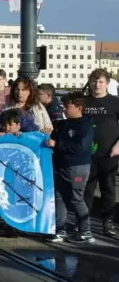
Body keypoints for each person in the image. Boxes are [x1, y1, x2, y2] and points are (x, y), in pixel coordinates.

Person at [47, 93, 95, 244]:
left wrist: (57, 145)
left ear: (79, 108)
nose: (64, 109)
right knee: (59, 197)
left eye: (67, 106)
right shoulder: (64, 123)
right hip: (62, 165)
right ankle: (60, 229)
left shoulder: (85, 125)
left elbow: (81, 147)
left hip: (77, 167)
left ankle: (86, 231)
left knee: (76, 198)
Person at [82, 69, 119, 237]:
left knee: (108, 189)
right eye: (94, 82)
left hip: (109, 152)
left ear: (107, 83)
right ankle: (83, 221)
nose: (97, 85)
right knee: (86, 188)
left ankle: (107, 222)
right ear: (90, 83)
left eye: (101, 82)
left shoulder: (115, 102)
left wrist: (118, 145)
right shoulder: (83, 102)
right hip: (86, 153)